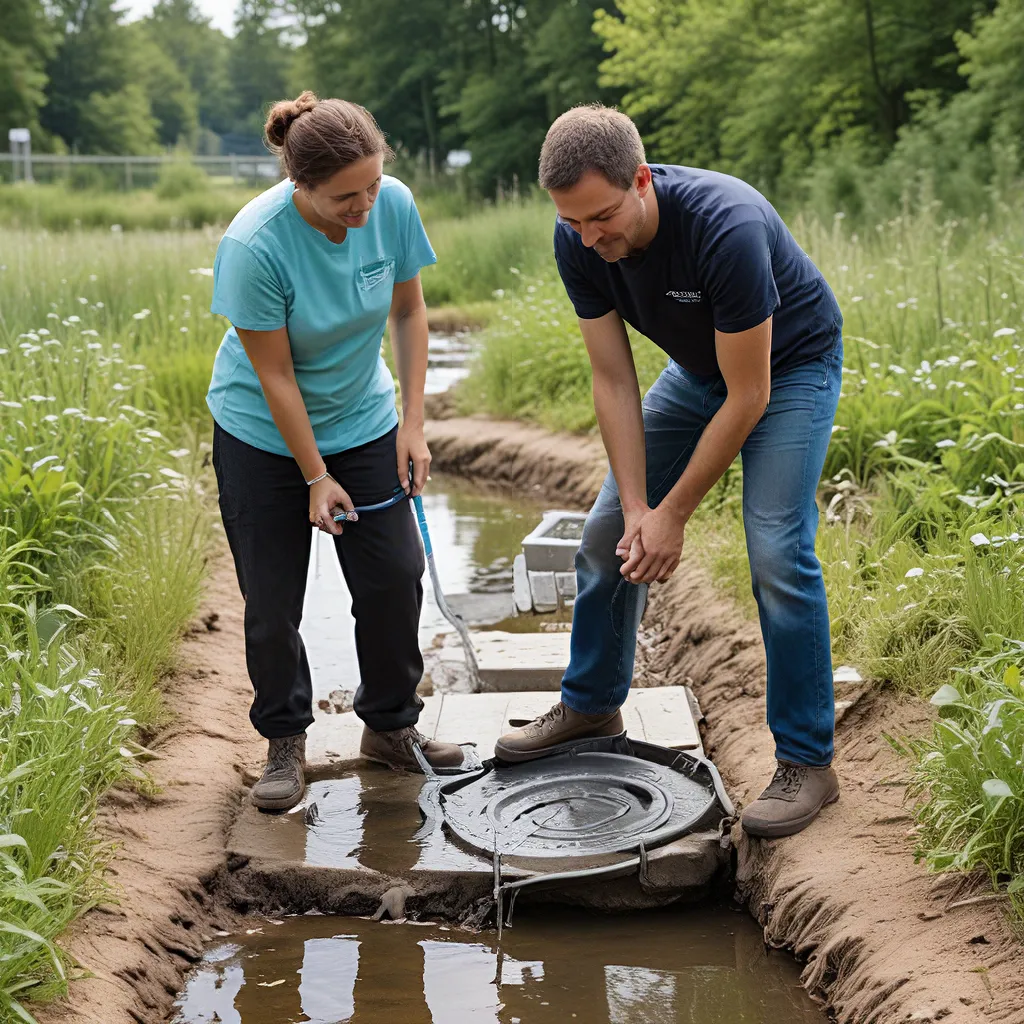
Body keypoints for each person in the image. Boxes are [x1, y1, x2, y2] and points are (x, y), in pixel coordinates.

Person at [496, 105, 844, 839]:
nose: (590, 237)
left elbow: (750, 394)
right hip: (696, 373)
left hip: (791, 368)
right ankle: (592, 702)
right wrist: (635, 506)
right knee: (601, 536)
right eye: (573, 222)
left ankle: (809, 761)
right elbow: (614, 380)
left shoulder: (727, 226)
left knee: (777, 547)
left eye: (601, 216)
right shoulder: (577, 238)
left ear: (643, 179)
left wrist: (674, 514)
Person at [208, 91, 463, 813]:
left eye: (373, 186)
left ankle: (389, 726)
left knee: (392, 576)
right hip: (261, 432)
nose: (365, 207)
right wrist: (314, 475)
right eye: (345, 197)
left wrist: (412, 424)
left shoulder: (393, 205)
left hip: (363, 418)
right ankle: (285, 741)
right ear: (301, 187)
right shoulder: (255, 244)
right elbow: (276, 374)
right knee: (272, 599)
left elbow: (410, 311)